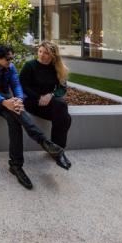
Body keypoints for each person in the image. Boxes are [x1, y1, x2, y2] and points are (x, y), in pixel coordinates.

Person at [0, 44, 69, 190]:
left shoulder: (10, 67)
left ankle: (16, 165)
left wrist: (18, 99)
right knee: (15, 111)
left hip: (7, 100)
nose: (11, 61)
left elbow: (17, 85)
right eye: (8, 59)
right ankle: (43, 141)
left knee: (14, 119)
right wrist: (4, 102)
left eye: (12, 58)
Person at [20, 40, 73, 171]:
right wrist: (39, 97)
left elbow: (62, 88)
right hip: (32, 102)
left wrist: (51, 95)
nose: (42, 55)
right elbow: (23, 86)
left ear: (53, 56)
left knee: (62, 112)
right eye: (40, 51)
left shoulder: (56, 68)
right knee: (64, 116)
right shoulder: (30, 66)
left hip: (49, 102)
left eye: (46, 53)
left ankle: (57, 150)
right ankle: (58, 151)